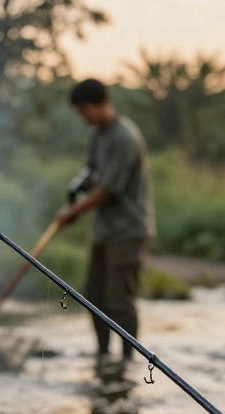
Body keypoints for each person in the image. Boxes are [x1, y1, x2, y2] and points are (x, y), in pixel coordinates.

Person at [55, 79, 155, 362]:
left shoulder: (125, 137)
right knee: (94, 297)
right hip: (104, 231)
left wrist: (74, 213)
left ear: (98, 105)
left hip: (128, 231)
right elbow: (90, 173)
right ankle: (102, 355)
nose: (82, 117)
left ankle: (126, 360)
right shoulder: (98, 136)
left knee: (120, 301)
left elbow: (108, 190)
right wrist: (74, 194)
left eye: (83, 110)